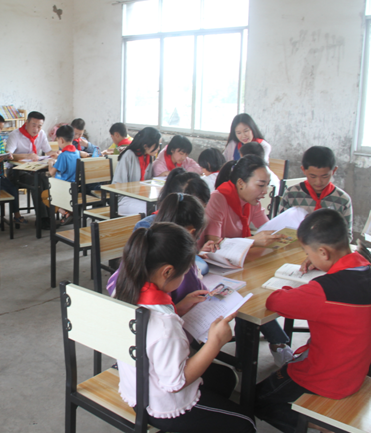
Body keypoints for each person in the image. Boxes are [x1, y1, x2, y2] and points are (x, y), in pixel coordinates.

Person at [113, 223, 255, 433]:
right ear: (167, 271)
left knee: (226, 378)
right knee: (246, 423)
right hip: (161, 404)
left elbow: (150, 335)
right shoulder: (165, 324)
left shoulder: (124, 292)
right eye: (185, 272)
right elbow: (175, 384)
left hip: (136, 385)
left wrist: (179, 307)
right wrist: (215, 343)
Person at [255, 209, 371, 433]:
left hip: (325, 378)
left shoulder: (323, 291)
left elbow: (275, 301)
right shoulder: (366, 267)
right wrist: (326, 265)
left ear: (323, 252)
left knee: (256, 398)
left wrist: (292, 288)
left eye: (308, 252)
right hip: (357, 370)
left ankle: (314, 424)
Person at [204, 155, 293, 366]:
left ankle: (274, 345)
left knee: (263, 285)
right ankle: (277, 344)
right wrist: (253, 240)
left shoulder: (251, 202)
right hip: (215, 267)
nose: (265, 191)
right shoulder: (219, 198)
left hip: (238, 263)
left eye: (267, 185)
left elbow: (268, 228)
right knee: (253, 294)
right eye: (260, 185)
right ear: (241, 183)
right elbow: (213, 244)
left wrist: (283, 234)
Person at [111, 193, 219, 310]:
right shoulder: (179, 263)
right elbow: (199, 298)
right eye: (197, 237)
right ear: (191, 233)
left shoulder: (142, 247)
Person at [279, 146, 353, 242]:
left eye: (325, 176)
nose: (318, 182)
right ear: (303, 170)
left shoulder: (342, 199)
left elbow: (347, 236)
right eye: (313, 176)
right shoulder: (291, 194)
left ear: (334, 171)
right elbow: (279, 226)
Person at [5, 111, 57, 230]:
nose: (36, 129)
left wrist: (54, 154)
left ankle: (49, 216)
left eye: (39, 126)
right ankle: (42, 219)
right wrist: (27, 155)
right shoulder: (15, 135)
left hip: (34, 169)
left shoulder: (41, 134)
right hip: (16, 171)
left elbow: (48, 151)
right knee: (37, 182)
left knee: (46, 180)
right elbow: (8, 155)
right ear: (26, 123)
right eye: (33, 125)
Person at [111, 127, 161, 216]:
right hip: (124, 199)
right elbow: (118, 186)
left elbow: (147, 183)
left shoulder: (149, 157)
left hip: (141, 197)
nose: (158, 148)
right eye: (156, 145)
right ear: (145, 145)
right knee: (152, 210)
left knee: (161, 208)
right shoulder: (128, 155)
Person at [48, 125, 81, 225]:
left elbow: (51, 172)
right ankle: (69, 212)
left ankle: (65, 213)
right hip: (74, 188)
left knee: (45, 195)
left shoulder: (63, 156)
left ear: (61, 140)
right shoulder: (77, 153)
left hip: (63, 189)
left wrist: (50, 163)